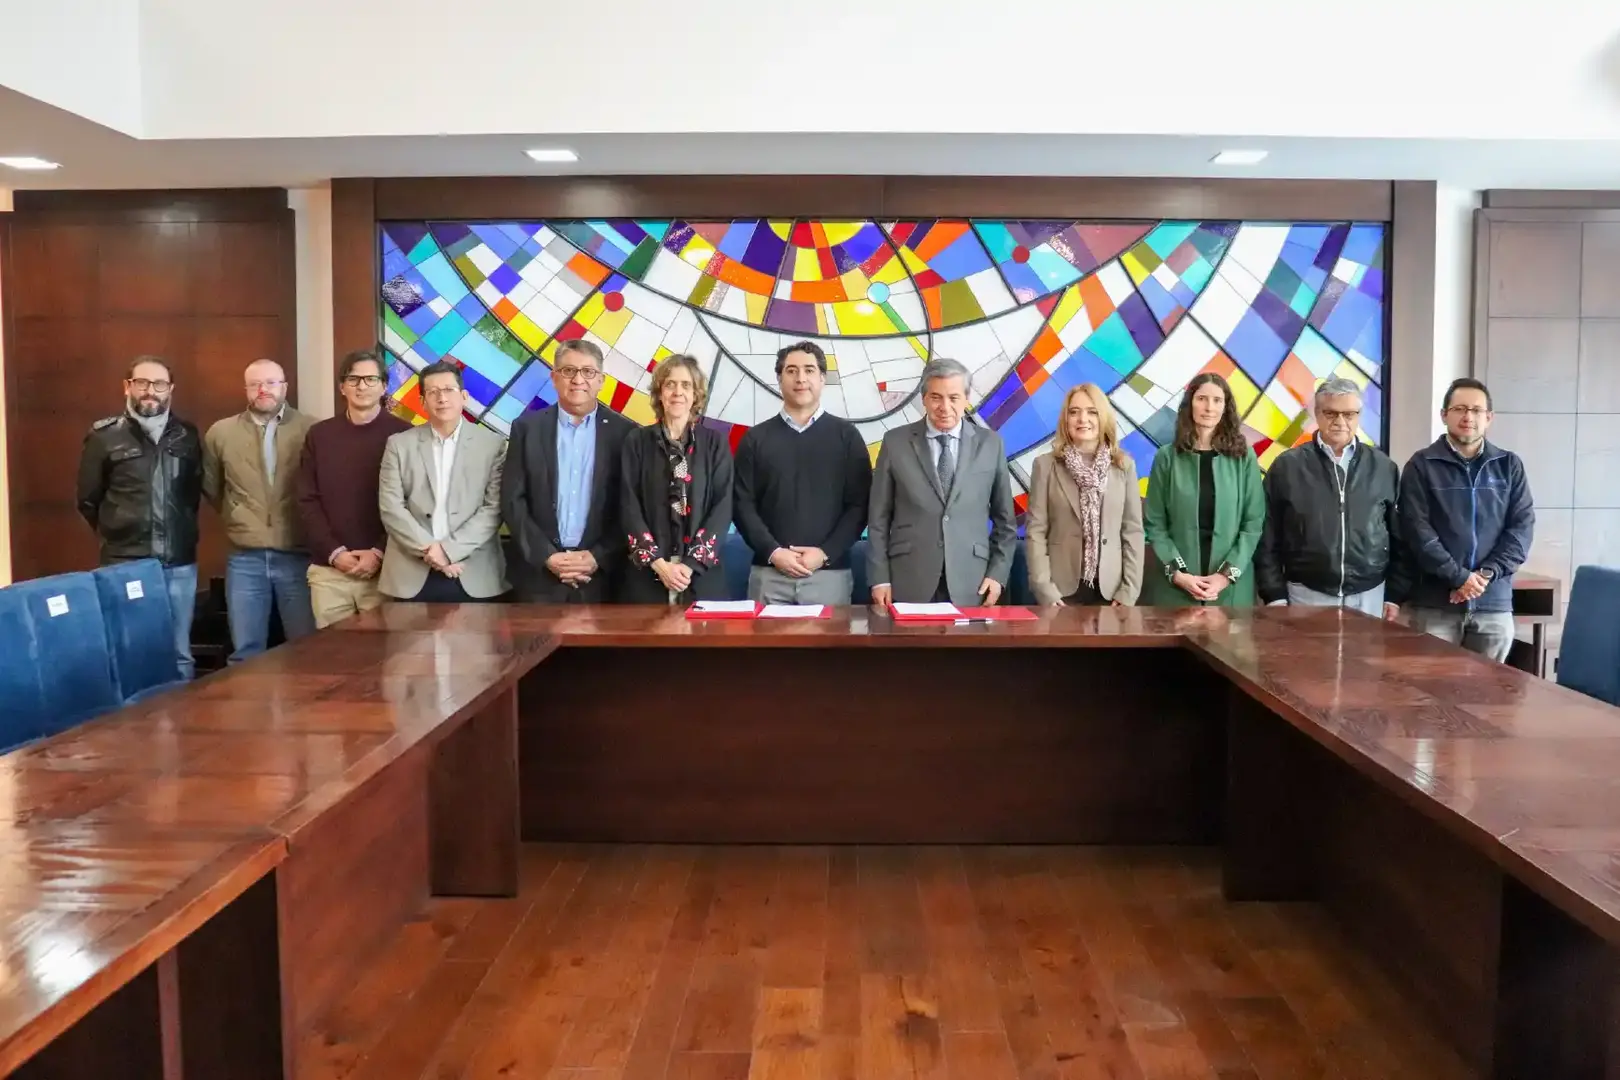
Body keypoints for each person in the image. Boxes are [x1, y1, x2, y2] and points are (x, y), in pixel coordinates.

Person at [75, 355, 204, 679]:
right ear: (127, 387)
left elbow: (192, 493)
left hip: (178, 563)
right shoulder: (104, 436)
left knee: (179, 655)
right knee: (129, 652)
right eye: (142, 383)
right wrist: (120, 532)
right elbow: (88, 500)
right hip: (125, 564)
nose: (150, 391)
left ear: (170, 389)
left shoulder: (187, 435)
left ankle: (179, 724)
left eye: (159, 384)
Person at [1397, 377, 1534, 662]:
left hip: (1492, 605)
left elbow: (1521, 529)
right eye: (1460, 408)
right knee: (1427, 696)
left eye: (1476, 410)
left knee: (1483, 699)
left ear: (1489, 417)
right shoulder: (1421, 465)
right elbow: (1417, 531)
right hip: (1434, 606)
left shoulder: (1509, 466)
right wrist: (1459, 577)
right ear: (1444, 415)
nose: (1468, 416)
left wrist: (1484, 576)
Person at [868, 357, 1017, 606]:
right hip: (908, 578)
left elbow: (1006, 522)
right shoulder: (895, 442)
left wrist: (997, 574)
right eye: (936, 397)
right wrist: (879, 578)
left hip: (973, 581)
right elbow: (878, 519)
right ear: (924, 398)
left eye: (954, 398)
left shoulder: (991, 444)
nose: (945, 407)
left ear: (966, 399)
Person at [732, 341, 872, 605]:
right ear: (779, 378)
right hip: (768, 574)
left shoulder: (847, 437)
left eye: (809, 370)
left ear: (821, 378)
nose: (801, 378)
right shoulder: (755, 439)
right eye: (791, 370)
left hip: (830, 575)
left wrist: (824, 553)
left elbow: (860, 505)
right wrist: (773, 552)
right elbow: (741, 505)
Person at [1255, 377, 1403, 619]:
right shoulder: (1288, 466)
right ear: (1317, 414)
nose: (1340, 422)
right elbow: (1267, 534)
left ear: (1359, 416)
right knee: (1308, 658)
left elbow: (1400, 536)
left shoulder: (1383, 467)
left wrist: (1395, 594)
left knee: (1363, 658)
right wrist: (1274, 594)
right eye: (1331, 413)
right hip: (1305, 593)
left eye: (1349, 414)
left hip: (1369, 594)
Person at [500, 340, 633, 602]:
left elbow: (631, 507)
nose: (578, 379)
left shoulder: (626, 434)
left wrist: (596, 557)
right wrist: (546, 555)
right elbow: (512, 500)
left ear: (601, 380)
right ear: (554, 378)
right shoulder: (527, 429)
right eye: (568, 371)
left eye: (588, 372)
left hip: (603, 578)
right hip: (538, 576)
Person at [203, 358, 316, 662]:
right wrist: (239, 516)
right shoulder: (221, 433)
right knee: (245, 652)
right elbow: (212, 488)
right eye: (255, 384)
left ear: (285, 387)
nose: (263, 389)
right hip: (245, 559)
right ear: (245, 390)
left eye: (271, 382)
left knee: (306, 649)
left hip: (297, 556)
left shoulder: (311, 429)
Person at [296, 349, 411, 628]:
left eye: (371, 379)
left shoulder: (406, 435)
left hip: (387, 570)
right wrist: (335, 553)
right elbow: (306, 499)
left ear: (384, 386)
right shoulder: (319, 435)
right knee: (333, 661)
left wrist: (379, 552)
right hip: (329, 572)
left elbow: (413, 503)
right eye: (354, 379)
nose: (362, 386)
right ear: (342, 387)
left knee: (387, 661)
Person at [377, 361, 509, 602]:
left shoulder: (493, 445)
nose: (442, 398)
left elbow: (494, 509)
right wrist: (431, 551)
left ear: (464, 396)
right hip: (410, 574)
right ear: (422, 401)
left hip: (474, 572)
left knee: (476, 641)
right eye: (432, 392)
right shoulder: (398, 445)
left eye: (449, 390)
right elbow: (391, 507)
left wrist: (448, 551)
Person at [1142, 372, 1266, 606]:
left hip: (1230, 592)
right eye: (1202, 399)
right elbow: (1155, 523)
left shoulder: (1244, 457)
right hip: (1176, 591)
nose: (1209, 407)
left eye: (1217, 400)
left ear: (1225, 407)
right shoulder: (1167, 458)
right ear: (1190, 404)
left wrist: (1225, 576)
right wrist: (1179, 574)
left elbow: (1253, 522)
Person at [621, 354, 734, 604]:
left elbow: (722, 506)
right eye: (670, 384)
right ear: (659, 392)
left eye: (686, 385)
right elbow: (628, 505)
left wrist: (690, 565)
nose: (677, 392)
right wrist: (659, 565)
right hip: (647, 578)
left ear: (696, 395)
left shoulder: (715, 443)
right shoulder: (636, 442)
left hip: (702, 578)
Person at [1026, 383, 1144, 607]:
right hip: (1061, 593)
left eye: (1092, 412)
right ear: (1065, 419)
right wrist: (1045, 591)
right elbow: (1036, 532)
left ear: (1103, 418)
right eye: (1074, 412)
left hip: (1112, 593)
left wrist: (1128, 592)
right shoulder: (1045, 466)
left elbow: (1133, 532)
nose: (1083, 419)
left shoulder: (1123, 466)